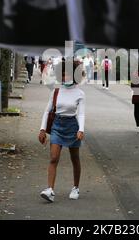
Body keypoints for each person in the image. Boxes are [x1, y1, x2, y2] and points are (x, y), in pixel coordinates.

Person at [39, 59, 86, 202]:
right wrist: (42, 129)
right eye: (63, 74)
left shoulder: (80, 93)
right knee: (53, 158)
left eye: (68, 74)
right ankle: (50, 190)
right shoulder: (56, 91)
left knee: (75, 158)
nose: (65, 77)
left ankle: (75, 187)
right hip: (57, 126)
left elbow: (81, 113)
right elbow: (47, 111)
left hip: (72, 126)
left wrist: (81, 129)